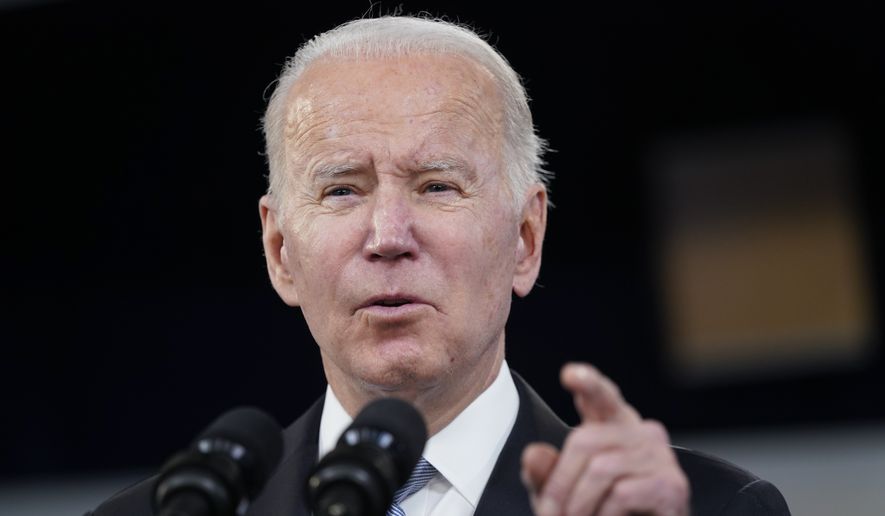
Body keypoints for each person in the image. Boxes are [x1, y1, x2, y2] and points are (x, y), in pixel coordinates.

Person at [89, 15, 790, 516]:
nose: (387, 236)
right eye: (342, 189)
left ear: (523, 237)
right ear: (280, 253)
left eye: (435, 186)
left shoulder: (704, 509)